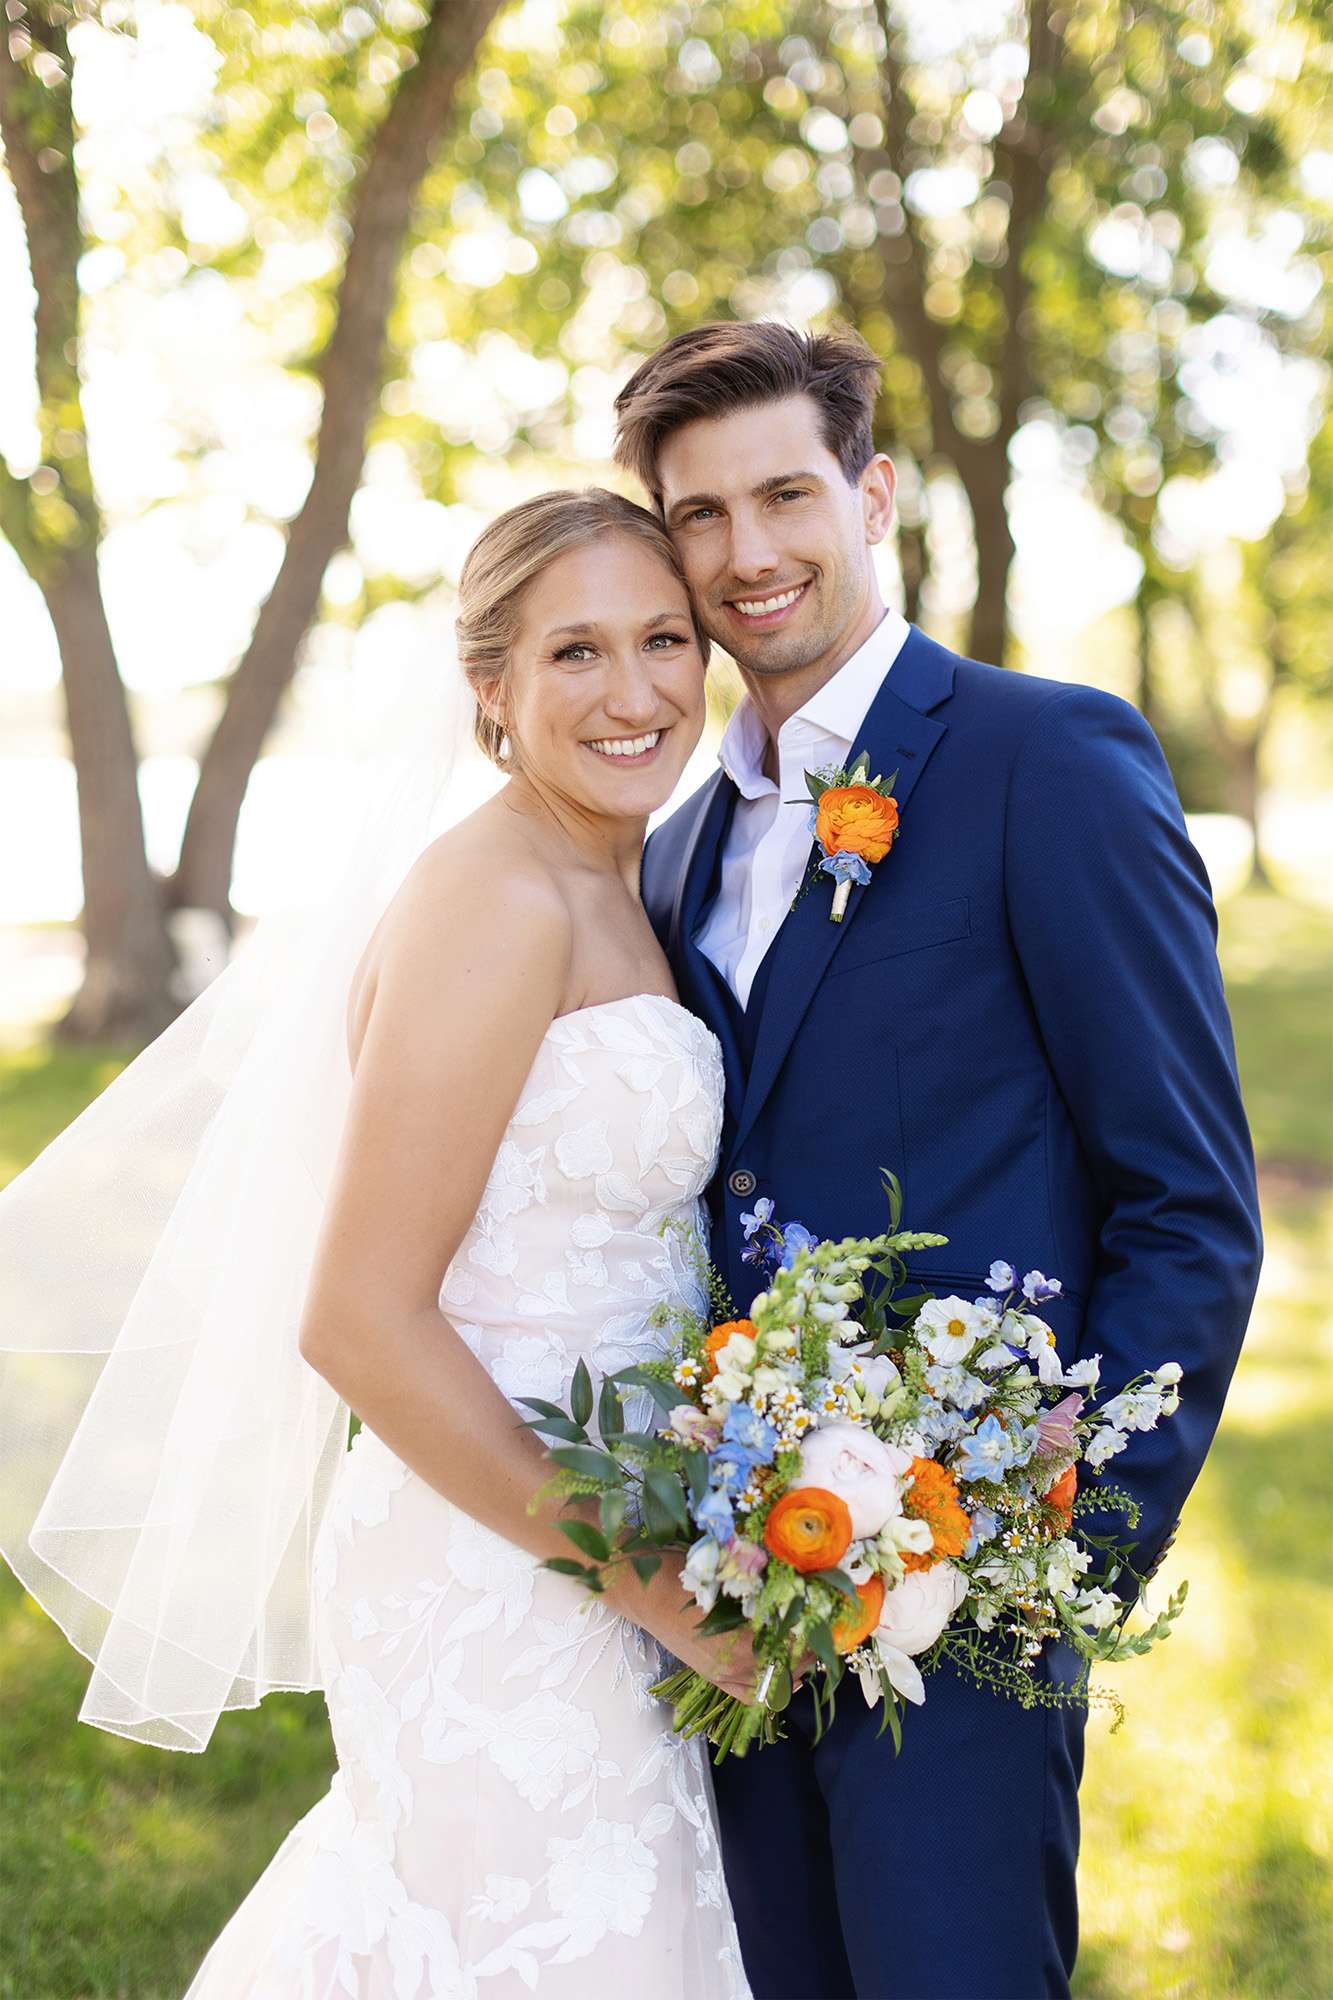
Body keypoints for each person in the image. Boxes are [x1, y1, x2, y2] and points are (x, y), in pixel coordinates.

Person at [1, 489, 752, 1998]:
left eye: (664, 639)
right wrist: (655, 1585)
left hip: (612, 1520)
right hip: (508, 1557)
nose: (635, 691)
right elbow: (357, 1317)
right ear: (490, 684)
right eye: (576, 652)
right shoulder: (495, 897)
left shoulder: (619, 872)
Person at [618, 319, 1264, 2000]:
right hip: (730, 1597)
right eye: (700, 516)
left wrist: (1047, 1569)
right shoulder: (672, 848)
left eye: (784, 494)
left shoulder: (1046, 760)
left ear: (873, 494)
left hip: (965, 1610)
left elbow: (1187, 1203)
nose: (747, 552)